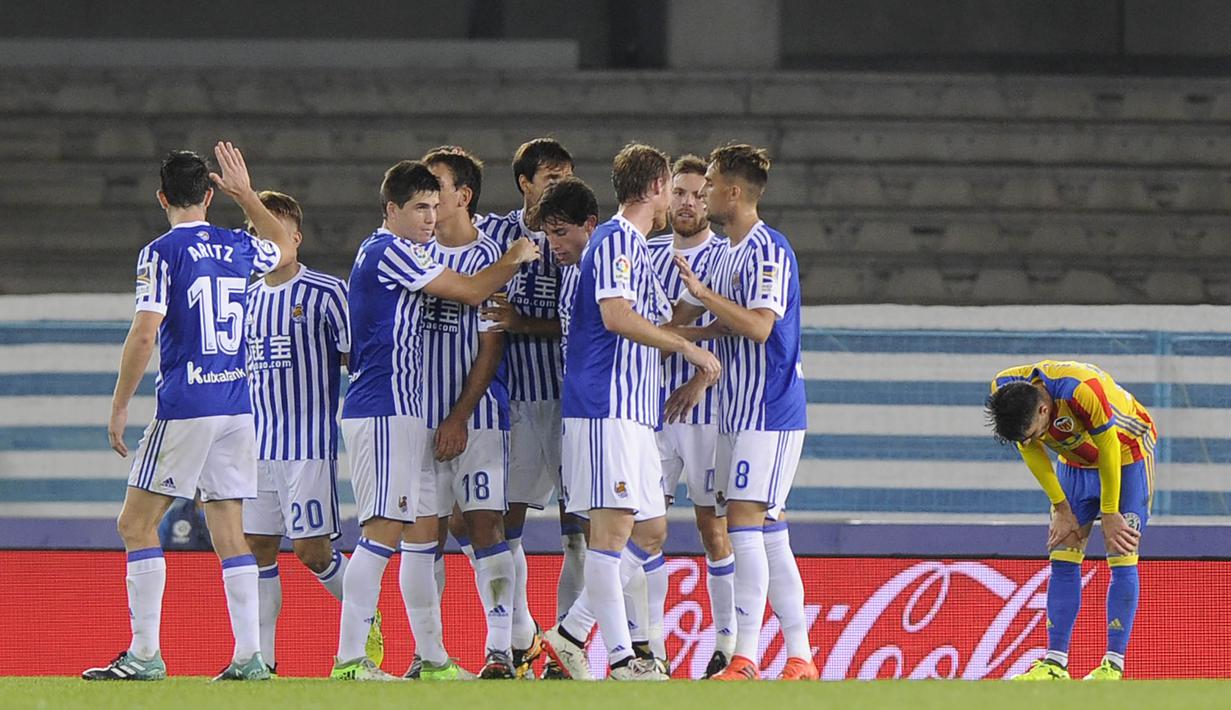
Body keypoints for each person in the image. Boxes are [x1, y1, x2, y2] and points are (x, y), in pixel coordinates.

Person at [85, 143, 298, 681]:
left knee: (135, 523)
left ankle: (145, 655)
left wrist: (119, 406)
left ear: (162, 197)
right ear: (209, 195)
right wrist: (247, 194)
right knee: (229, 529)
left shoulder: (160, 252)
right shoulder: (236, 245)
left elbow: (145, 332)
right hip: (236, 407)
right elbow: (283, 247)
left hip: (186, 406)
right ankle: (249, 656)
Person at [331, 160, 539, 681]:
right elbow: (470, 293)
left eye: (434, 202)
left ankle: (448, 659)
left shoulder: (407, 253)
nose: (430, 215)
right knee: (386, 534)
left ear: (462, 196)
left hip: (418, 412)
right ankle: (352, 659)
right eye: (420, 206)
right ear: (392, 210)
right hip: (388, 409)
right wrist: (517, 255)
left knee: (422, 528)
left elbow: (488, 331)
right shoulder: (394, 251)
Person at [541, 143, 720, 681]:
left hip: (636, 415)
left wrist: (699, 320)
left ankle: (570, 633)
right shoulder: (617, 239)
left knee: (652, 533)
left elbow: (651, 324)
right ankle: (621, 660)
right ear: (658, 186)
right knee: (614, 532)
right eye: (672, 187)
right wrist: (688, 349)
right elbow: (617, 316)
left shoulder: (638, 247)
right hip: (605, 409)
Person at [670, 144, 816, 681]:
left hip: (770, 411)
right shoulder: (724, 253)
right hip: (736, 413)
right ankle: (800, 656)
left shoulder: (768, 250)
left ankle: (745, 656)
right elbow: (705, 327)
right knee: (769, 531)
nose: (702, 192)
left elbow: (759, 326)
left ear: (733, 191)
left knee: (743, 523)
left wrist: (704, 295)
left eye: (708, 182)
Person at [239, 190, 382, 674]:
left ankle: (364, 616)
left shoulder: (325, 292)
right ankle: (262, 662)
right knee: (256, 548)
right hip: (255, 446)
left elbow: (356, 359)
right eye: (257, 230)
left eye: (274, 229)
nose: (265, 238)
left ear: (295, 237)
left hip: (307, 447)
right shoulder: (244, 297)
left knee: (310, 552)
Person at [476, 138, 580, 677]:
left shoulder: (579, 239)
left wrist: (522, 323)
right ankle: (517, 638)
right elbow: (478, 300)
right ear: (524, 182)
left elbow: (591, 321)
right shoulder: (494, 235)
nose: (559, 186)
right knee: (505, 521)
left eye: (566, 177)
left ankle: (567, 648)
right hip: (513, 402)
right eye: (550, 177)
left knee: (579, 528)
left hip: (569, 404)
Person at [986, 360, 1154, 681]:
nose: (1032, 440)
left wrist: (1110, 511)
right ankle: (1054, 664)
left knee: (1121, 551)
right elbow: (1030, 448)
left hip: (1127, 457)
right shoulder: (1004, 390)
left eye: (1035, 433)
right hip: (1075, 464)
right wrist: (1060, 506)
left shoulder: (1081, 390)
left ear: (1044, 411)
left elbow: (1109, 447)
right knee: (1062, 551)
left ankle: (1113, 666)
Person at [419, 146, 516, 679]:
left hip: (476, 418)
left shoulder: (488, 260)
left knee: (484, 524)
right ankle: (429, 653)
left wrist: (458, 416)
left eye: (436, 185)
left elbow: (491, 347)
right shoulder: (414, 251)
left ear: (463, 196)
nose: (427, 196)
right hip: (416, 419)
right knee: (425, 533)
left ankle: (499, 649)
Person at [646, 155, 735, 676]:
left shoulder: (725, 256)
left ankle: (726, 646)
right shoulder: (647, 253)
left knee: (712, 527)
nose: (687, 202)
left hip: (708, 412)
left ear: (712, 199)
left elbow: (736, 328)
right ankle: (651, 647)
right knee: (645, 527)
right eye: (679, 192)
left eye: (699, 194)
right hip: (651, 410)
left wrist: (701, 377)